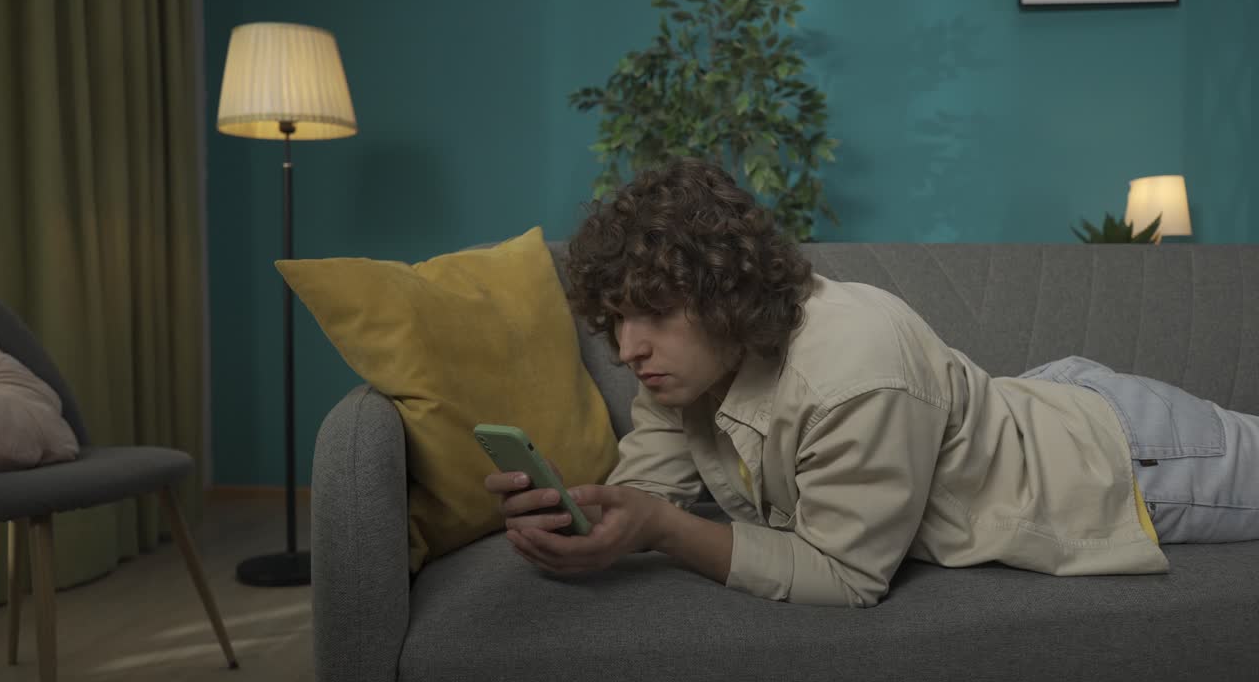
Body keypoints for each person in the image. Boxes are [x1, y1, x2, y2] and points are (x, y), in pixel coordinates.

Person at [483, 158, 1259, 607]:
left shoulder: (853, 371)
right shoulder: (688, 370)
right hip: (1048, 401)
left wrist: (658, 531)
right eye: (615, 322)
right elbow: (647, 495)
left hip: (1130, 460)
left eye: (651, 313)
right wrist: (582, 513)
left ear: (724, 289)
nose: (628, 350)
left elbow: (847, 575)